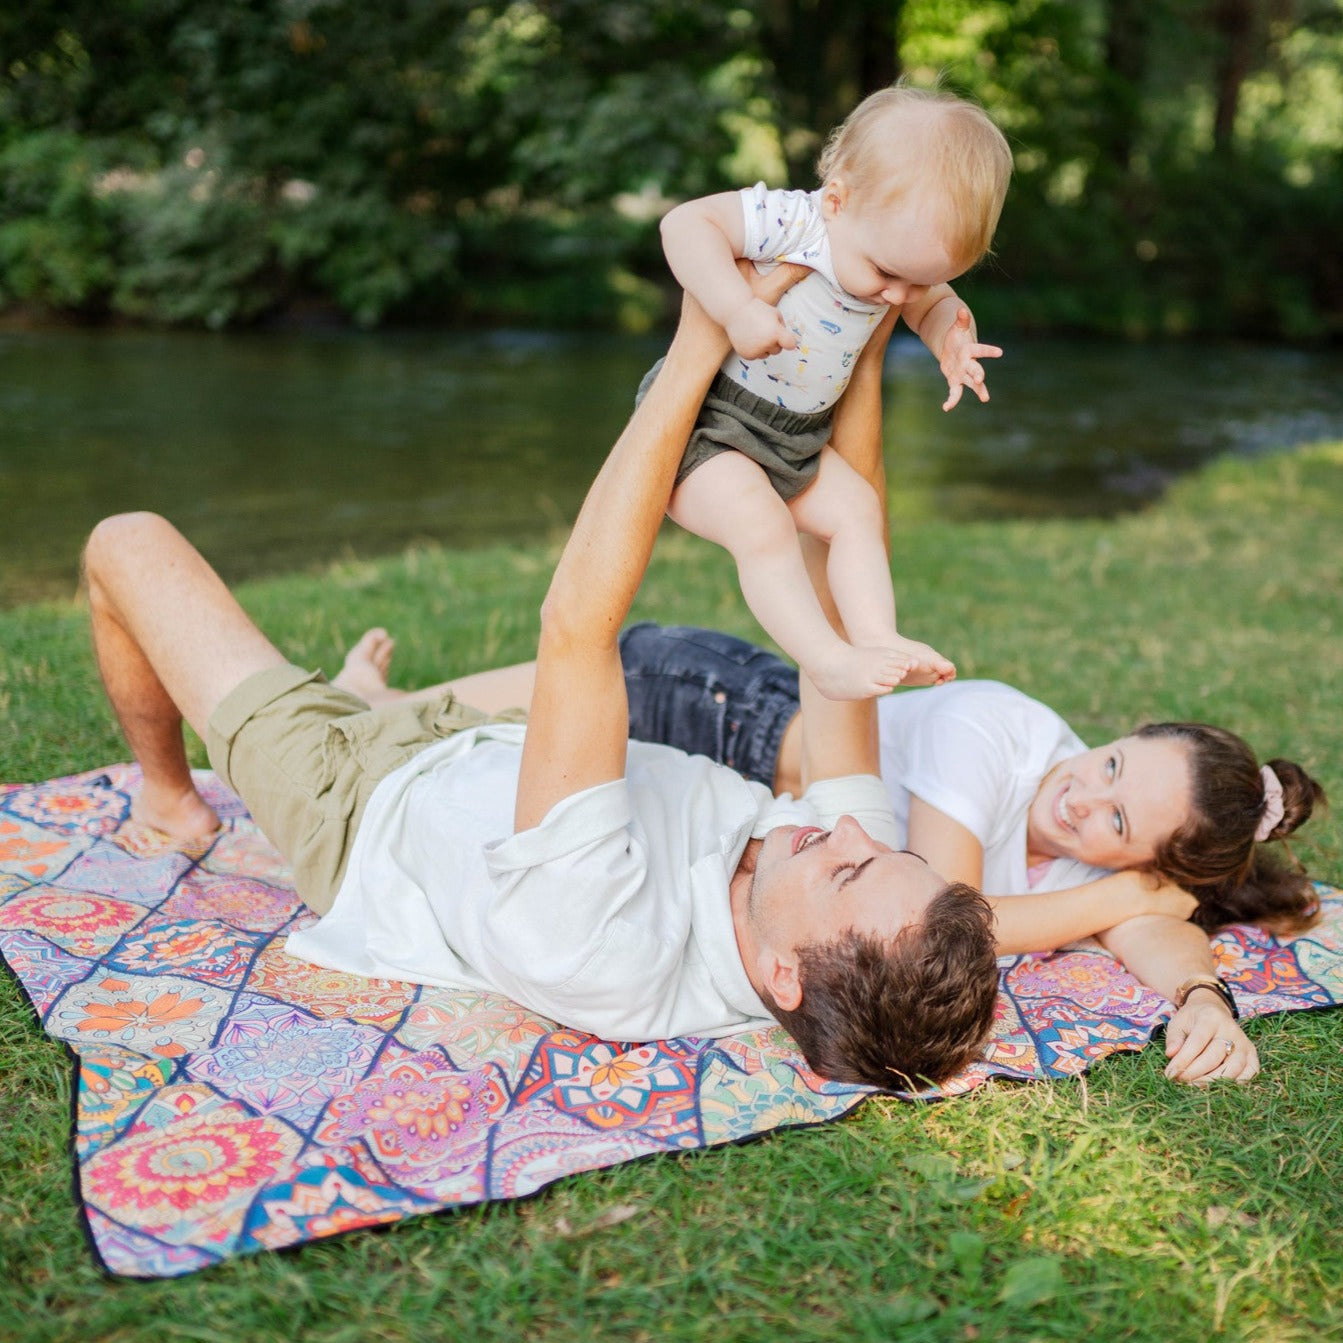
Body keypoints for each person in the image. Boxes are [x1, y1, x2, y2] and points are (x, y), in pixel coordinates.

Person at [80, 264, 1004, 1090]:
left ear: (785, 977)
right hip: (490, 753)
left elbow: (575, 626)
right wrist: (868, 323)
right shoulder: (852, 883)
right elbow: (835, 585)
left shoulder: (603, 948)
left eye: (849, 868)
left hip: (355, 794)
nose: (846, 826)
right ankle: (371, 692)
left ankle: (172, 800)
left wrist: (695, 349)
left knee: (124, 545)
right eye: (879, 849)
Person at [332, 625, 1324, 1088]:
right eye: (1110, 761)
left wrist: (1197, 994)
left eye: (1114, 817)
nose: (1081, 792)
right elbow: (961, 899)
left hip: (754, 796)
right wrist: (1122, 887)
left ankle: (374, 707)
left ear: (1147, 852)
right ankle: (367, 701)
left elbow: (1149, 926)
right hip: (722, 709)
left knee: (464, 743)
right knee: (460, 721)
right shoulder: (1000, 730)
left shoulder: (1093, 875)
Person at [654, 81, 1012, 700]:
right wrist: (737, 307)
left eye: (922, 279)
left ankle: (875, 638)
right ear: (839, 200)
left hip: (794, 440)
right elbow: (685, 224)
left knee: (858, 512)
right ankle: (824, 659)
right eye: (888, 274)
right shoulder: (796, 221)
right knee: (762, 525)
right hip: (710, 431)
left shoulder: (896, 257)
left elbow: (933, 305)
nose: (899, 296)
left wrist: (950, 340)